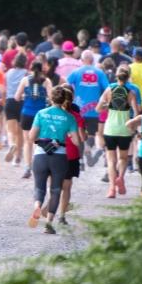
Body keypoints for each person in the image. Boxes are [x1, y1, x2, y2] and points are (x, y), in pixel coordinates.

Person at [25, 85, 82, 234]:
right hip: (60, 156)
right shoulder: (69, 117)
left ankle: (37, 205)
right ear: (64, 100)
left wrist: (43, 139)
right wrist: (68, 135)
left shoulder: (41, 113)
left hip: (40, 155)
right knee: (56, 190)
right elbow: (76, 141)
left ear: (50, 98)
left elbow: (31, 137)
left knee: (39, 187)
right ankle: (48, 224)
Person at [96, 65, 139, 197]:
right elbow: (136, 113)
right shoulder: (131, 92)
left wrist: (107, 105)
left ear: (117, 76)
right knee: (123, 158)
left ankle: (111, 189)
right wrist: (134, 128)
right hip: (125, 129)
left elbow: (98, 109)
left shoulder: (109, 90)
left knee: (111, 160)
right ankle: (120, 177)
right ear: (128, 77)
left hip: (110, 129)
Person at [66, 50, 109, 165]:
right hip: (94, 109)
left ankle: (80, 161)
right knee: (92, 134)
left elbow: (66, 85)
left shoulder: (76, 72)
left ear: (82, 60)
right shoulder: (100, 73)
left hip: (79, 109)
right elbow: (108, 89)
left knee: (79, 133)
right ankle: (89, 148)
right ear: (93, 60)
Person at [15, 60, 53, 179]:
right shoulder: (46, 81)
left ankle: (28, 167)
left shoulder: (25, 80)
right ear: (42, 69)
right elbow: (52, 98)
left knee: (28, 142)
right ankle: (40, 166)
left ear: (31, 68)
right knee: (40, 140)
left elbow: (16, 97)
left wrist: (24, 96)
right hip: (41, 114)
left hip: (27, 113)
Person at [56, 85, 84, 226]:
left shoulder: (49, 113)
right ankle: (62, 215)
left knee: (55, 186)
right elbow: (81, 139)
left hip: (53, 153)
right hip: (71, 154)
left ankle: (50, 210)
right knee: (66, 187)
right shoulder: (76, 115)